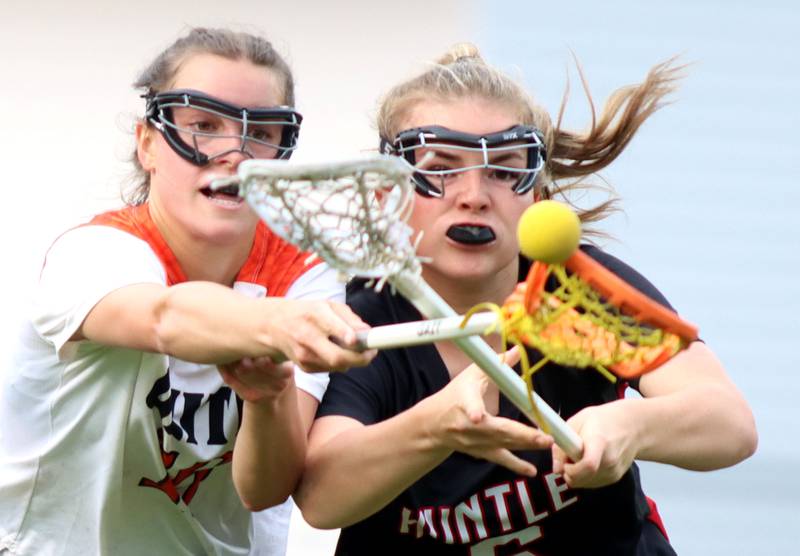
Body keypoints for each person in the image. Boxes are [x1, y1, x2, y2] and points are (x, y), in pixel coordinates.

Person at [286, 44, 758, 555]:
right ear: (387, 195)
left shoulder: (577, 289)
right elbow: (320, 497)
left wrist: (630, 426)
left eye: (502, 170)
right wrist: (434, 428)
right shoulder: (364, 318)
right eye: (441, 168)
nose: (474, 195)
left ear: (534, 194)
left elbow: (729, 423)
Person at [0, 27, 375, 556]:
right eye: (203, 126)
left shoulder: (304, 275)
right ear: (148, 144)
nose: (234, 154)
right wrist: (273, 324)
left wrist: (267, 398)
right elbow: (164, 318)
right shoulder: (93, 253)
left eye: (260, 132)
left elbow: (263, 491)